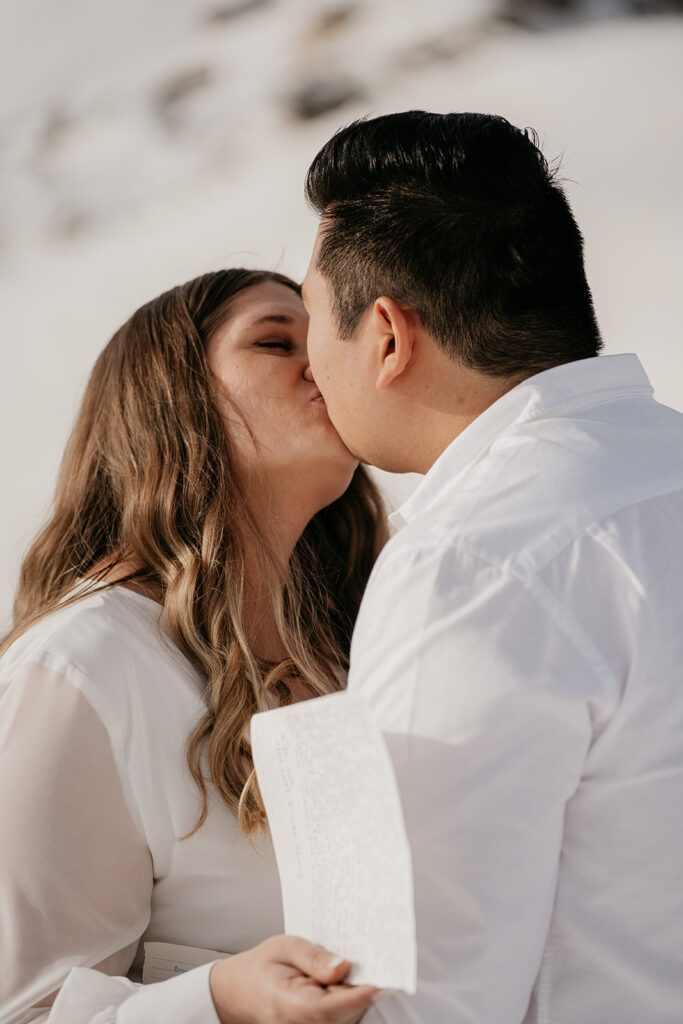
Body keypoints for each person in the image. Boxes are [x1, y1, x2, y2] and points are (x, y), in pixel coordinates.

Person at [301, 111, 683, 1023]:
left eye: (309, 318)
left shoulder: (473, 560)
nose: (311, 365)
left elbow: (412, 994)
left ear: (386, 339)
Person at [0, 268, 388, 1024]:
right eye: (276, 341)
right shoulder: (83, 667)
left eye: (329, 340)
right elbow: (23, 1009)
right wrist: (219, 1000)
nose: (323, 363)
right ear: (172, 401)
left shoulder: (368, 642)